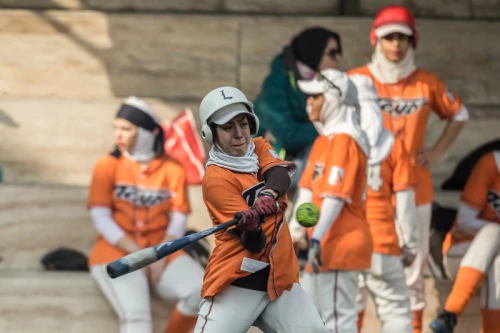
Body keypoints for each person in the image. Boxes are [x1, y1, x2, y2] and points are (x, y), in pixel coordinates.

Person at [348, 5, 469, 332]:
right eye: (389, 38)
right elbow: (327, 118)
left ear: (413, 40)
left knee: (413, 268)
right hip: (366, 189)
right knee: (356, 267)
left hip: (415, 188)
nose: (396, 45)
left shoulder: (426, 82)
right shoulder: (356, 80)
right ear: (376, 40)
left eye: (403, 37)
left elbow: (459, 114)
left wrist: (437, 151)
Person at [193, 86, 329, 333]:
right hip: (237, 282)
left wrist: (267, 195)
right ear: (210, 132)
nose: (238, 134)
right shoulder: (216, 179)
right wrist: (251, 227)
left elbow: (281, 175)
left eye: (243, 124)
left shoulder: (259, 147)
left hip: (280, 280)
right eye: (227, 127)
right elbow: (253, 245)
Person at [87, 96, 204, 333]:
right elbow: (101, 218)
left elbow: (179, 218)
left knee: (202, 293)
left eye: (126, 129)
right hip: (117, 250)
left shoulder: (173, 168)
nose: (118, 135)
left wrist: (158, 254)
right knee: (137, 318)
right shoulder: (107, 165)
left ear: (147, 133)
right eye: (116, 128)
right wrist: (141, 255)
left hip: (162, 249)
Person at [289, 69, 373, 332]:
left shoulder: (345, 141)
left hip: (340, 243)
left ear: (334, 99)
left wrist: (314, 238)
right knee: (314, 320)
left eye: (316, 96)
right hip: (322, 245)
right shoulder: (324, 141)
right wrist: (295, 232)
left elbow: (335, 198)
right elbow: (308, 196)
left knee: (338, 320)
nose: (308, 102)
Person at [352, 75, 418, 332]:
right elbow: (405, 204)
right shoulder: (395, 145)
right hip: (384, 243)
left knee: (344, 312)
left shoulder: (337, 143)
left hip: (346, 243)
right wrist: (410, 245)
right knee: (397, 313)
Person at [253, 27, 342, 195]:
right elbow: (288, 135)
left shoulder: (327, 83)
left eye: (339, 53)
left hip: (299, 160)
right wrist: (328, 128)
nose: (338, 60)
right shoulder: (276, 83)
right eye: (332, 53)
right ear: (313, 52)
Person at [429, 150, 500, 333]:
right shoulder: (491, 164)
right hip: (462, 253)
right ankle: (452, 311)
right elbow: (465, 221)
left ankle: (450, 314)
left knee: (498, 261)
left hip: (492, 259)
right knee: (493, 231)